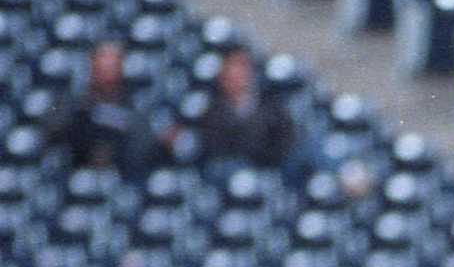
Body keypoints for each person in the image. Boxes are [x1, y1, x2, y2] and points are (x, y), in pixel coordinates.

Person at [170, 45, 298, 171]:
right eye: (230, 68)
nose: (236, 75)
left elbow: (283, 146)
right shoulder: (207, 110)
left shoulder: (273, 108)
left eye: (241, 68)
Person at [43, 39, 152, 175]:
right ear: (92, 63)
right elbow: (53, 131)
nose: (107, 66)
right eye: (103, 58)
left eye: (113, 61)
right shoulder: (73, 103)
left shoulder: (134, 106)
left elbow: (139, 147)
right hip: (76, 173)